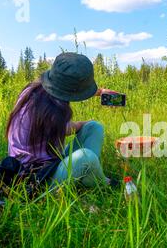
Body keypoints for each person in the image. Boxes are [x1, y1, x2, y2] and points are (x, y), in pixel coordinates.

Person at [7, 52, 117, 189]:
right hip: (37, 178)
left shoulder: (34, 90)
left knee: (94, 127)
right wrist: (82, 124)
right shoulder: (47, 110)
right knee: (86, 157)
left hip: (51, 162)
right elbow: (65, 129)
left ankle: (85, 176)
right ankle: (104, 184)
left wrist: (100, 92)